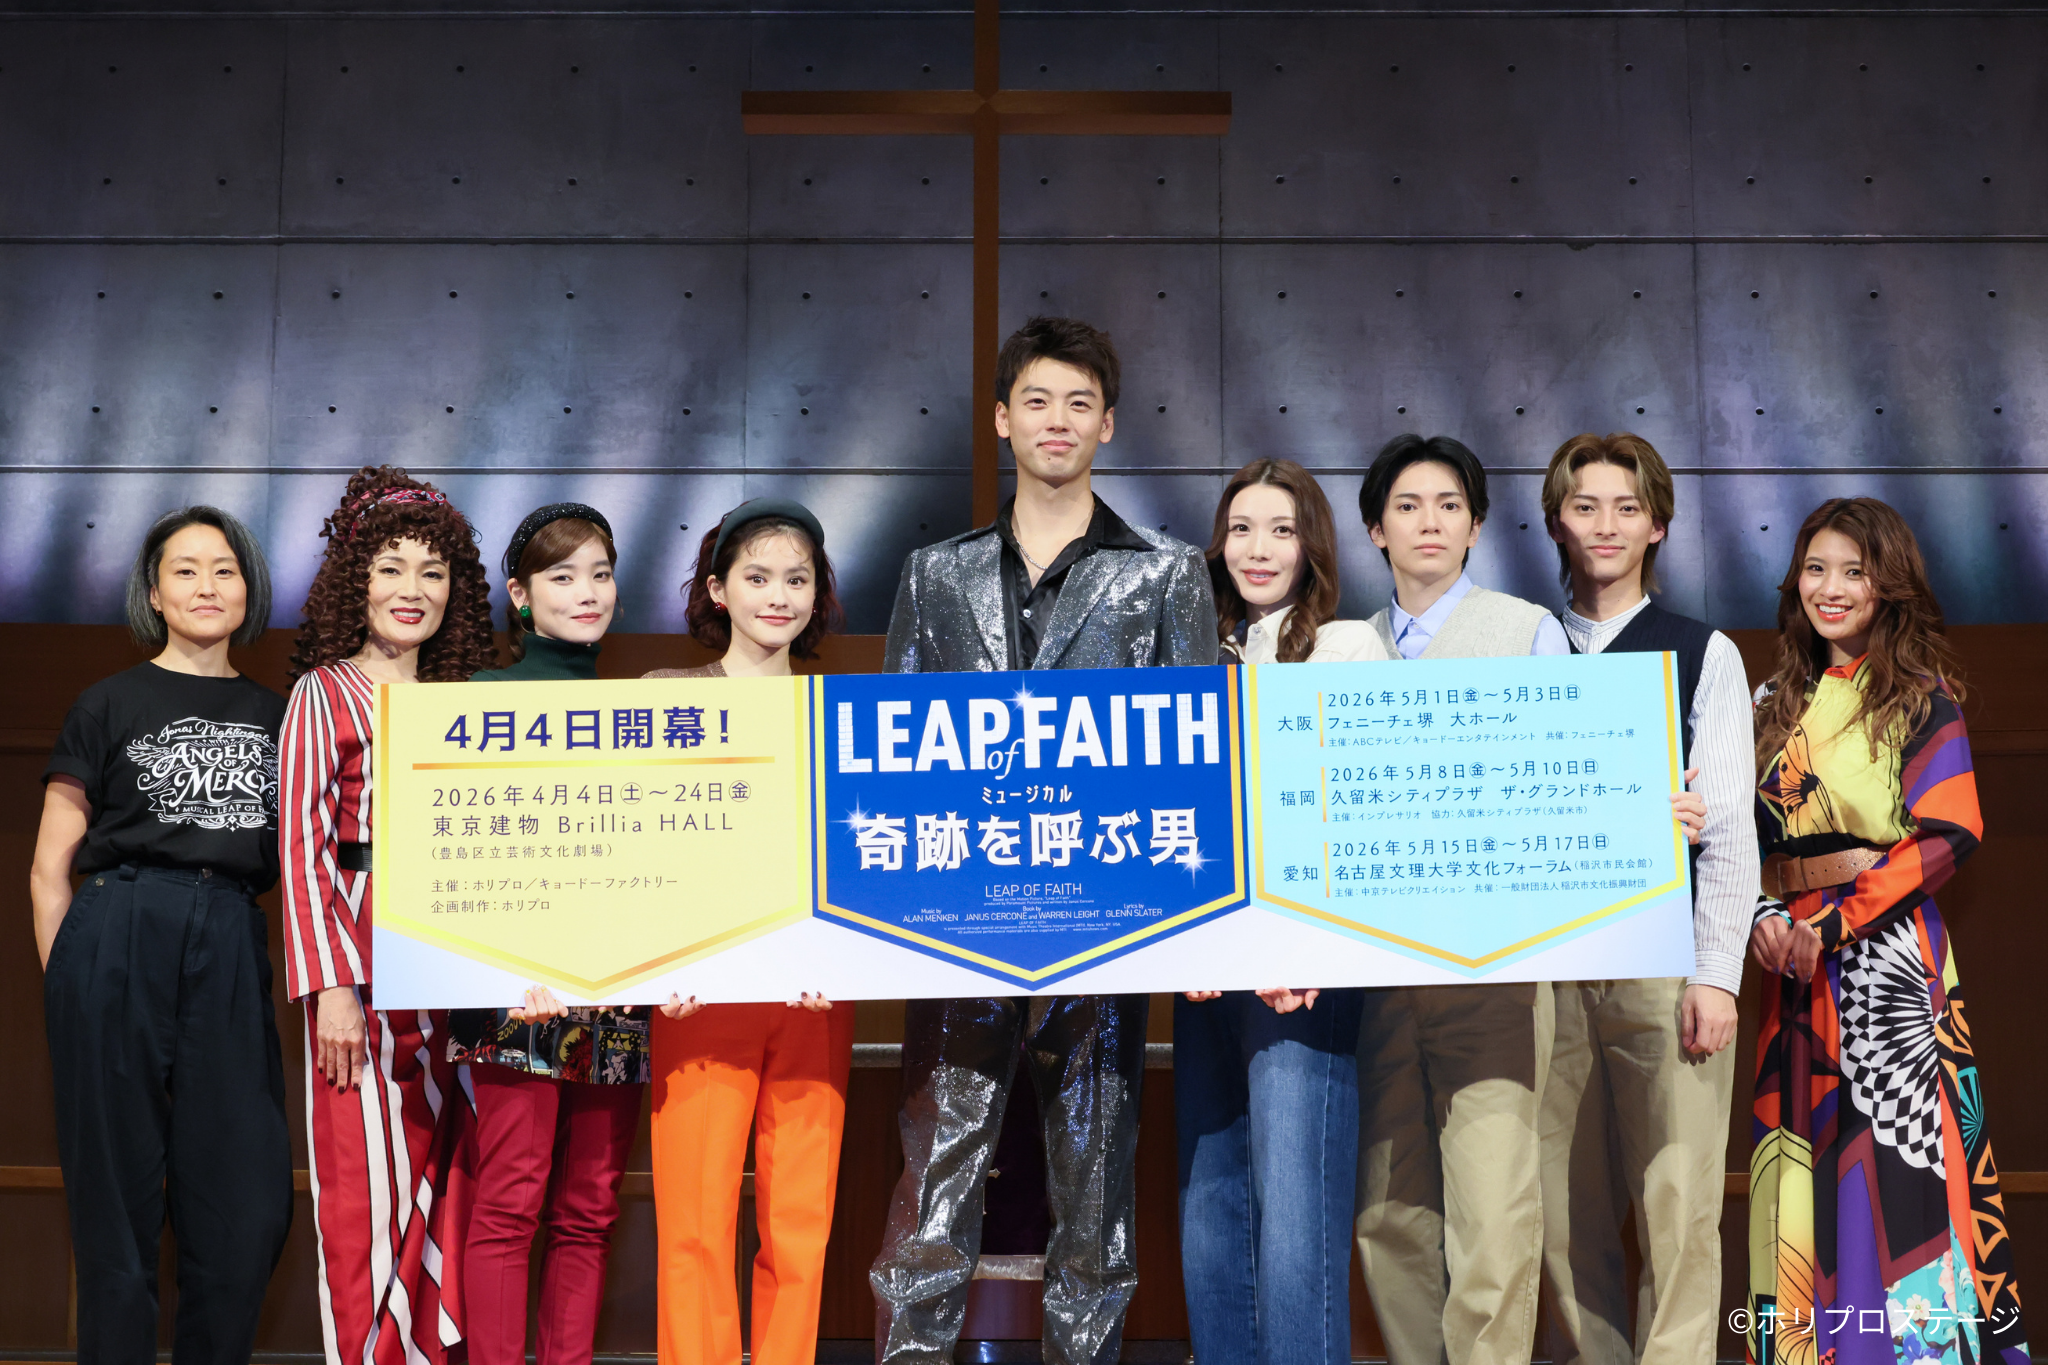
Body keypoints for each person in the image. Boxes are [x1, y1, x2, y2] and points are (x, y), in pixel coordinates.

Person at [870, 316, 1219, 1365]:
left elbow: (1198, 758)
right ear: (1000, 419)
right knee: (932, 1193)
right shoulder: (936, 574)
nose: (1056, 420)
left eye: (1078, 403)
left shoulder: (1165, 574)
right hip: (958, 919)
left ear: (1106, 424)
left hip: (1105, 923)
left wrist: (1200, 926)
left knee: (1094, 1205)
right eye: (1036, 401)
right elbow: (890, 752)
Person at [1747, 497, 2028, 1365]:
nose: (1830, 588)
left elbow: (1950, 830)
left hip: (1886, 959)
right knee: (1797, 1167)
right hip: (1790, 961)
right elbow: (1737, 835)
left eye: (1854, 572)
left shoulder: (1919, 697)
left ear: (1889, 586)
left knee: (1898, 1174)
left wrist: (1834, 922)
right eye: (1816, 569)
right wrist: (1762, 915)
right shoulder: (1770, 701)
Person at [33, 506, 292, 1365]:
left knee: (248, 1208)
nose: (206, 585)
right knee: (115, 1210)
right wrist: (69, 986)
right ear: (154, 592)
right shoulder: (107, 701)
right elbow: (47, 869)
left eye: (224, 569)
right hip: (117, 926)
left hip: (229, 934)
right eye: (185, 570)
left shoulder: (280, 714)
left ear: (248, 587)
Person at [1535, 433, 1756, 1365]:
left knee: (1678, 1204)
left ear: (1657, 525)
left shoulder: (1704, 650)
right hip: (1547, 970)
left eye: (1627, 508)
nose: (1607, 525)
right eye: (1586, 506)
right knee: (1559, 1213)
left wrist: (1717, 974)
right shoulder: (1527, 648)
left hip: (1665, 965)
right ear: (1556, 521)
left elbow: (1730, 826)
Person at [281, 466, 497, 1365]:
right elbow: (302, 850)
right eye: (392, 568)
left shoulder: (467, 706)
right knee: (363, 1189)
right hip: (362, 966)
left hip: (451, 965)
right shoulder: (323, 692)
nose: (413, 590)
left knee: (448, 1182)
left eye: (433, 572)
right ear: (356, 582)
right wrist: (331, 985)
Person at [1175, 458, 1382, 1365]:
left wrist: (1310, 946)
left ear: (1313, 547)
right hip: (1207, 967)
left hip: (1304, 972)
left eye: (1282, 529)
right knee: (1211, 1206)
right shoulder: (1194, 652)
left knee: (1297, 1219)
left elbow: (1362, 806)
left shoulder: (1347, 646)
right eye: (1242, 528)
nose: (1258, 548)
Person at [640, 498, 853, 1365]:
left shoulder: (842, 710)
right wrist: (657, 963)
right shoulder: (665, 699)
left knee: (800, 1225)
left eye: (797, 579)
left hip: (813, 997)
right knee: (694, 1223)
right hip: (700, 998)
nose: (778, 596)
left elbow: (862, 857)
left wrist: (844, 954)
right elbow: (634, 848)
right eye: (757, 577)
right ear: (718, 589)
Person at [446, 505, 647, 1365]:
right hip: (509, 985)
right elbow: (449, 853)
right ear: (521, 596)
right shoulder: (472, 704)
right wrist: (504, 965)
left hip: (617, 984)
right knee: (509, 1203)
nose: (587, 591)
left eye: (600, 573)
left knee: (589, 1208)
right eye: (562, 576)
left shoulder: (641, 713)